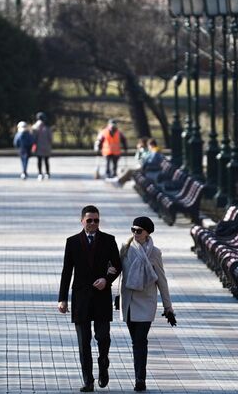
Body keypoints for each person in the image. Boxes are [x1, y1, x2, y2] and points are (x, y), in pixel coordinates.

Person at [58, 205, 121, 392]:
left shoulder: (109, 240)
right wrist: (62, 299)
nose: (93, 223)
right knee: (83, 343)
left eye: (96, 220)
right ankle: (88, 381)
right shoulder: (72, 242)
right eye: (89, 220)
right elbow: (66, 272)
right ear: (82, 221)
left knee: (103, 337)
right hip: (81, 299)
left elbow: (117, 265)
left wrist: (107, 279)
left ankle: (103, 364)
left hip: (101, 297)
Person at [117, 216, 175, 392]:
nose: (135, 233)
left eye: (139, 231)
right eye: (133, 230)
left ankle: (140, 378)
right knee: (136, 340)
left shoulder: (155, 253)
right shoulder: (125, 249)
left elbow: (162, 281)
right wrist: (115, 294)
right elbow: (119, 272)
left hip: (146, 302)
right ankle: (139, 374)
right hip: (128, 301)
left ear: (147, 232)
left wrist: (168, 307)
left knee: (140, 340)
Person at [32, 111, 53, 180]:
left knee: (39, 160)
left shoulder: (34, 128)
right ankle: (47, 173)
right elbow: (50, 138)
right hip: (46, 147)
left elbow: (33, 138)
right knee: (46, 160)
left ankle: (40, 173)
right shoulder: (47, 128)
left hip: (38, 147)